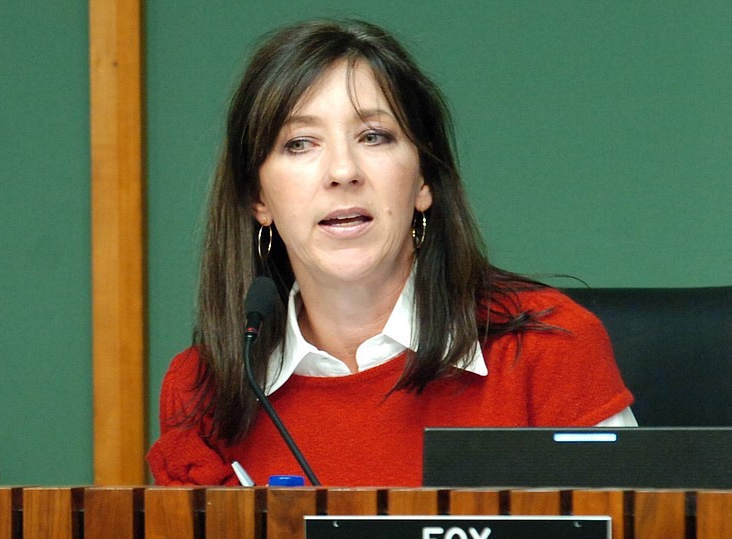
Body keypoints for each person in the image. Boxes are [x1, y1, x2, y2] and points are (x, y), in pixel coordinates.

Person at [147, 18, 636, 487]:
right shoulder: (204, 390)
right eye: (299, 143)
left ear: (423, 180)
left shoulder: (549, 352)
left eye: (373, 136)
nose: (343, 171)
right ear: (258, 198)